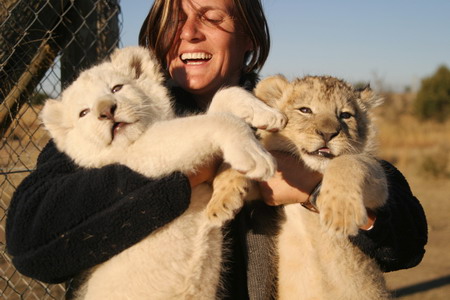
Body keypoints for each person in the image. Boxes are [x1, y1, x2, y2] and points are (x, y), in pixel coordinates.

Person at [6, 0, 427, 299]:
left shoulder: (282, 112)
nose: (189, 31)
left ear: (249, 38)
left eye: (211, 16)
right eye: (175, 18)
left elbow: (406, 242)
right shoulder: (119, 113)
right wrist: (194, 169)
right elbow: (30, 240)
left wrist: (314, 188)